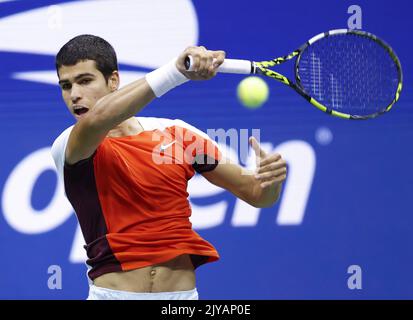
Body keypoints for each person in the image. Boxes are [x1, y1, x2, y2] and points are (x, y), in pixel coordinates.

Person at [51, 35, 287, 300]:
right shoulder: (69, 146)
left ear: (113, 81)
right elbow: (99, 118)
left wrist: (271, 181)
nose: (74, 95)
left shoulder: (177, 135)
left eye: (84, 81)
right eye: (66, 86)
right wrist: (176, 72)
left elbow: (256, 194)